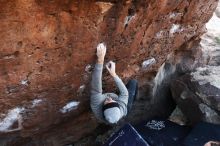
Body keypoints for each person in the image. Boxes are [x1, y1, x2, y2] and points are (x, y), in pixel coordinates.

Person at [90, 43, 138, 124]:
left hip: (110, 106)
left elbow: (96, 86)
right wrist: (113, 74)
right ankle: (134, 102)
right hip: (123, 108)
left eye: (107, 102)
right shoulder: (122, 108)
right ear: (117, 105)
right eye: (112, 101)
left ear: (103, 108)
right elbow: (125, 93)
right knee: (133, 82)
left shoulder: (97, 104)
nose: (109, 99)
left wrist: (100, 60)